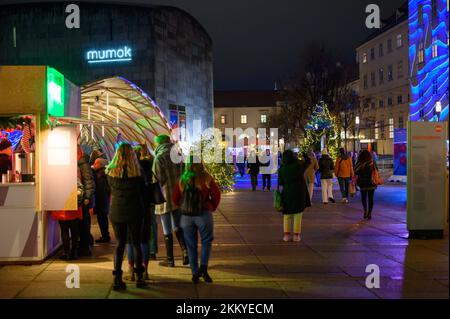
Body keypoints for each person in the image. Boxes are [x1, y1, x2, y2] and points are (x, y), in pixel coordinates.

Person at [173, 157, 221, 284]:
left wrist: (183, 206)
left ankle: (194, 273)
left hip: (186, 217)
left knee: (191, 245)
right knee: (206, 241)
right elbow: (216, 194)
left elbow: (175, 198)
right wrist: (211, 206)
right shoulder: (206, 177)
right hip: (203, 214)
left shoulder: (182, 179)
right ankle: (204, 268)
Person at [106, 143, 147, 290]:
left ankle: (117, 279)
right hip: (135, 210)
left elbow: (108, 189)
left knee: (120, 244)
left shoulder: (110, 172)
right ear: (132, 155)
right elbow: (144, 191)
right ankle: (140, 278)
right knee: (136, 243)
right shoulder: (138, 172)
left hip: (117, 211)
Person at [152, 134, 188, 267]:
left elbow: (158, 179)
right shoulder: (178, 154)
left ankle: (170, 258)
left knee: (166, 227)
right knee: (177, 225)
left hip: (164, 196)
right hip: (177, 194)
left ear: (159, 144)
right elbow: (184, 173)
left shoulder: (159, 157)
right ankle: (186, 253)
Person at [127, 144, 157, 281]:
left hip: (129, 209)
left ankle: (131, 269)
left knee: (130, 241)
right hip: (145, 207)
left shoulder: (128, 170)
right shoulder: (149, 166)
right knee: (144, 239)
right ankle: (145, 270)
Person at [278, 150, 311, 242]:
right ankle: (296, 235)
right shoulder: (299, 166)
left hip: (287, 192)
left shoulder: (282, 169)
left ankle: (286, 235)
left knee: (287, 215)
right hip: (299, 192)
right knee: (298, 214)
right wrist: (304, 153)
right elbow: (308, 162)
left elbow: (280, 182)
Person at [51, 174, 83, 261]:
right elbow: (80, 190)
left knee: (64, 231)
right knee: (75, 231)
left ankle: (67, 253)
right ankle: (74, 252)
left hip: (63, 209)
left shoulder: (57, 179)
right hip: (74, 209)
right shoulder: (74, 178)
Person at [77, 146, 95, 257]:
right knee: (82, 223)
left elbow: (89, 181)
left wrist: (87, 197)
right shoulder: (80, 163)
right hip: (81, 197)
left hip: (83, 198)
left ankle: (85, 248)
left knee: (84, 223)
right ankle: (85, 244)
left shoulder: (83, 164)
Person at [92, 157, 111, 243]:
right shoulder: (101, 173)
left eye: (96, 163)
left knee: (102, 218)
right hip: (102, 200)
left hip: (101, 201)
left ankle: (105, 236)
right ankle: (105, 235)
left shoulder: (101, 174)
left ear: (100, 165)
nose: (94, 165)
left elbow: (102, 189)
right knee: (102, 218)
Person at [355, 150, 377, 220]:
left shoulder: (359, 163)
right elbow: (376, 171)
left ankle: (365, 210)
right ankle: (369, 213)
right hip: (371, 183)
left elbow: (356, 172)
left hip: (362, 183)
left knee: (363, 197)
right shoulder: (372, 162)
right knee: (371, 198)